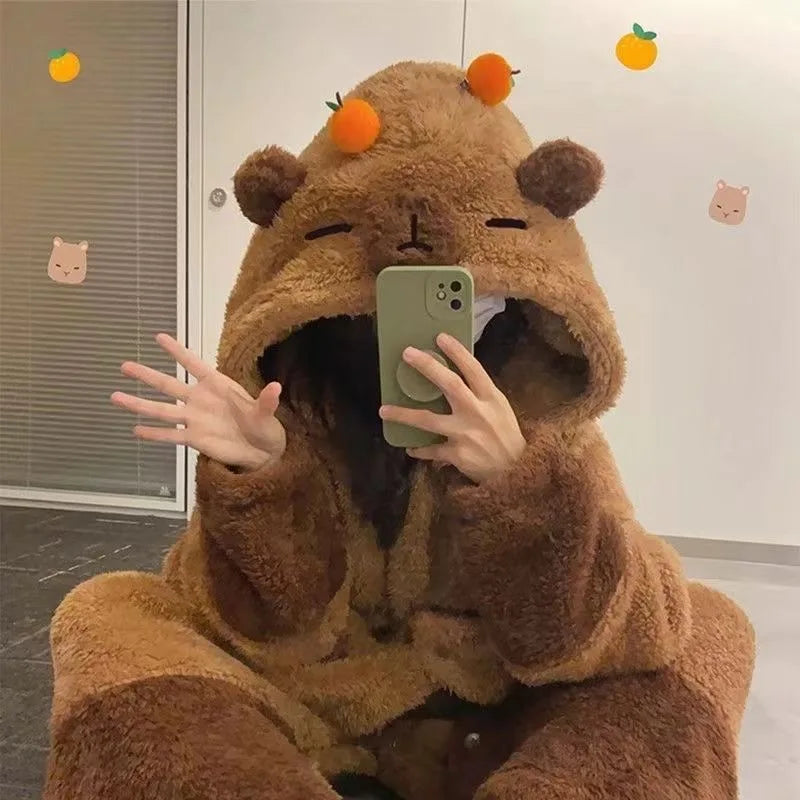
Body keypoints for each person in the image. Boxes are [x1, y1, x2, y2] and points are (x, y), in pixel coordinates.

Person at [44, 58, 754, 800]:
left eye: (463, 299)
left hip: (495, 723)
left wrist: (520, 491)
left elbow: (622, 630)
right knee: (106, 613)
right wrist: (265, 485)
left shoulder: (541, 421)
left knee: (710, 630)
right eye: (375, 303)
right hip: (316, 717)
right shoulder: (293, 405)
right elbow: (256, 632)